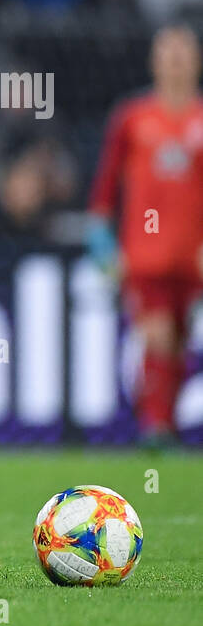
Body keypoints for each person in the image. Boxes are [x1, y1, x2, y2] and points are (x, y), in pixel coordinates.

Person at [88, 25, 203, 446]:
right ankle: (155, 428)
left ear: (196, 60)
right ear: (154, 60)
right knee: (155, 334)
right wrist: (102, 245)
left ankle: (165, 425)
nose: (175, 60)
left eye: (183, 51)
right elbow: (104, 190)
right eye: (167, 52)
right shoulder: (132, 119)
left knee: (176, 342)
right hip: (145, 256)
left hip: (192, 257)